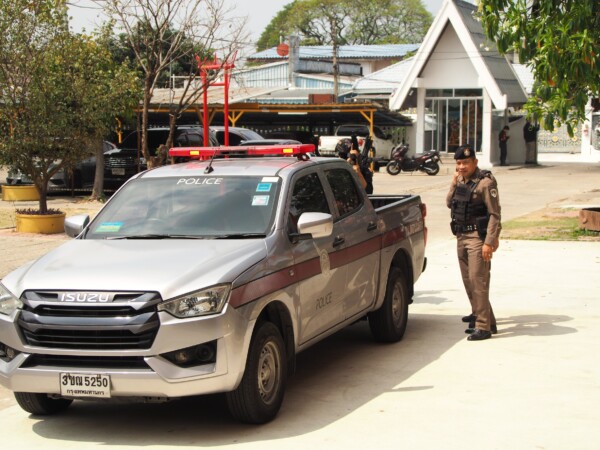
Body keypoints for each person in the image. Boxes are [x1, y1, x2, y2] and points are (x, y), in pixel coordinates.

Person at [447, 145, 501, 341]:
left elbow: (495, 214)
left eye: (466, 163)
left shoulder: (485, 183)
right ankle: (486, 319)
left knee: (478, 281)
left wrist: (489, 241)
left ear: (475, 162)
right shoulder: (460, 180)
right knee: (469, 281)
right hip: (461, 236)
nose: (461, 167)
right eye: (459, 163)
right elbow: (449, 203)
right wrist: (453, 184)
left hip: (478, 238)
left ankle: (483, 327)